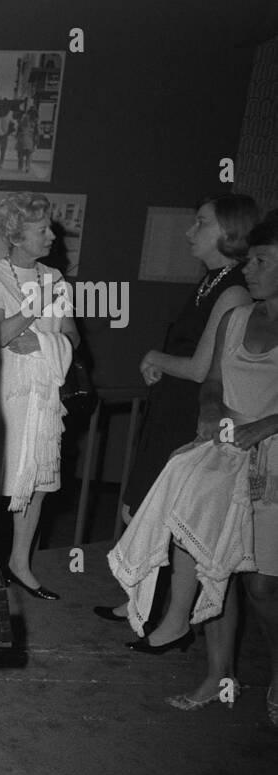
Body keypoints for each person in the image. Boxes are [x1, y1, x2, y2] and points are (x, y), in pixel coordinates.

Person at [96, 195, 258, 639]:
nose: (190, 232)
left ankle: (173, 622)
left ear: (228, 231)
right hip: (172, 407)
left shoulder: (235, 290)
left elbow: (202, 368)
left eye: (200, 223)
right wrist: (162, 364)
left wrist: (154, 356)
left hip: (194, 415)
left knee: (179, 519)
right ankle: (140, 603)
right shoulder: (212, 282)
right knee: (147, 504)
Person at [143, 211, 278, 722]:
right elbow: (214, 382)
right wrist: (208, 409)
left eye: (263, 260)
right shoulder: (237, 318)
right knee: (214, 564)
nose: (250, 267)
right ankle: (219, 674)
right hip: (227, 455)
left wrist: (267, 426)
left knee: (263, 585)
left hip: (274, 462)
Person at [0, 193, 79, 600]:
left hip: (42, 394)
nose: (52, 236)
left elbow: (72, 337)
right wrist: (35, 310)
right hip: (4, 395)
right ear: (17, 236)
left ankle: (20, 563)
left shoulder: (57, 279)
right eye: (42, 230)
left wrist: (39, 346)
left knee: (35, 483)